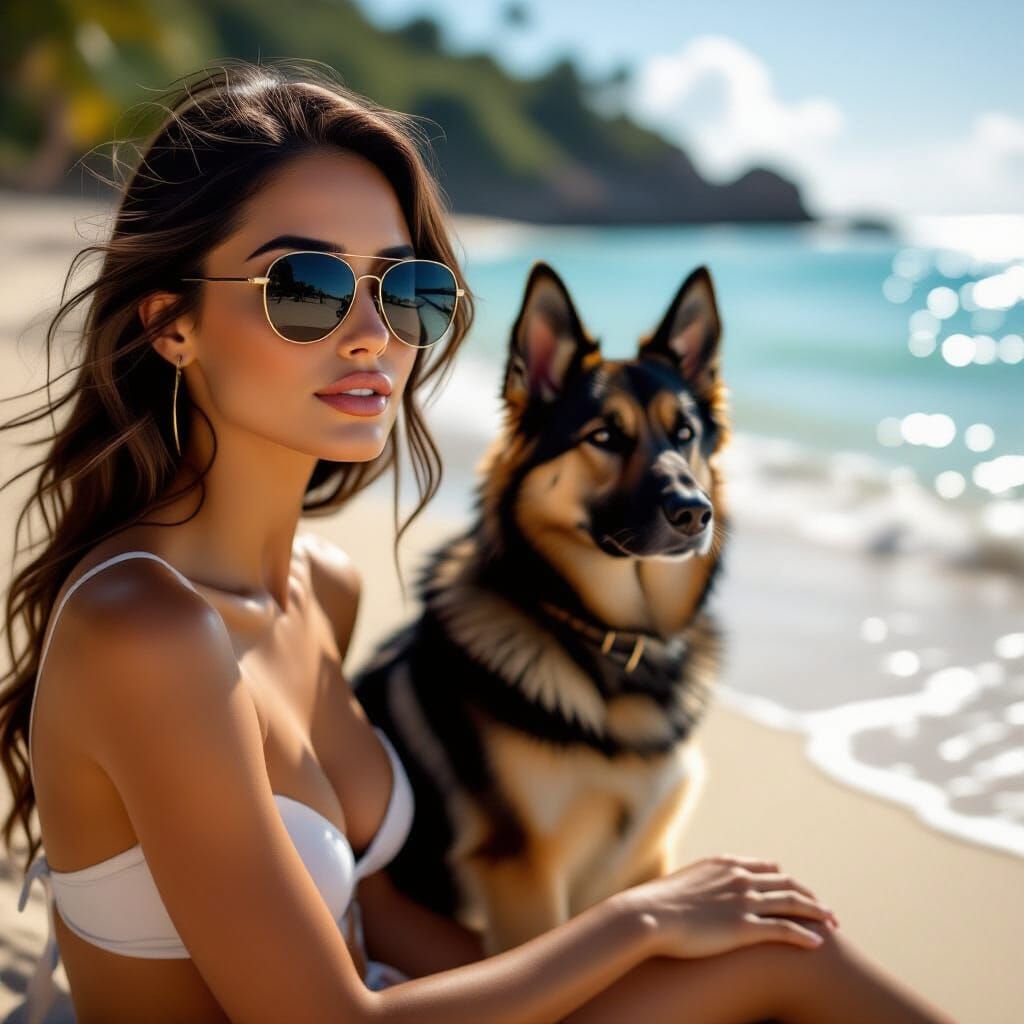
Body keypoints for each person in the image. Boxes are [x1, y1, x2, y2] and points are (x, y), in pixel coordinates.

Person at [0, 60, 955, 1024]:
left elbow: (366, 916)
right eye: (308, 287)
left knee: (781, 941)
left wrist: (621, 975)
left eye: (406, 288)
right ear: (172, 324)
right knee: (782, 962)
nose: (374, 334)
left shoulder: (320, 586)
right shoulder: (145, 629)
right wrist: (637, 924)